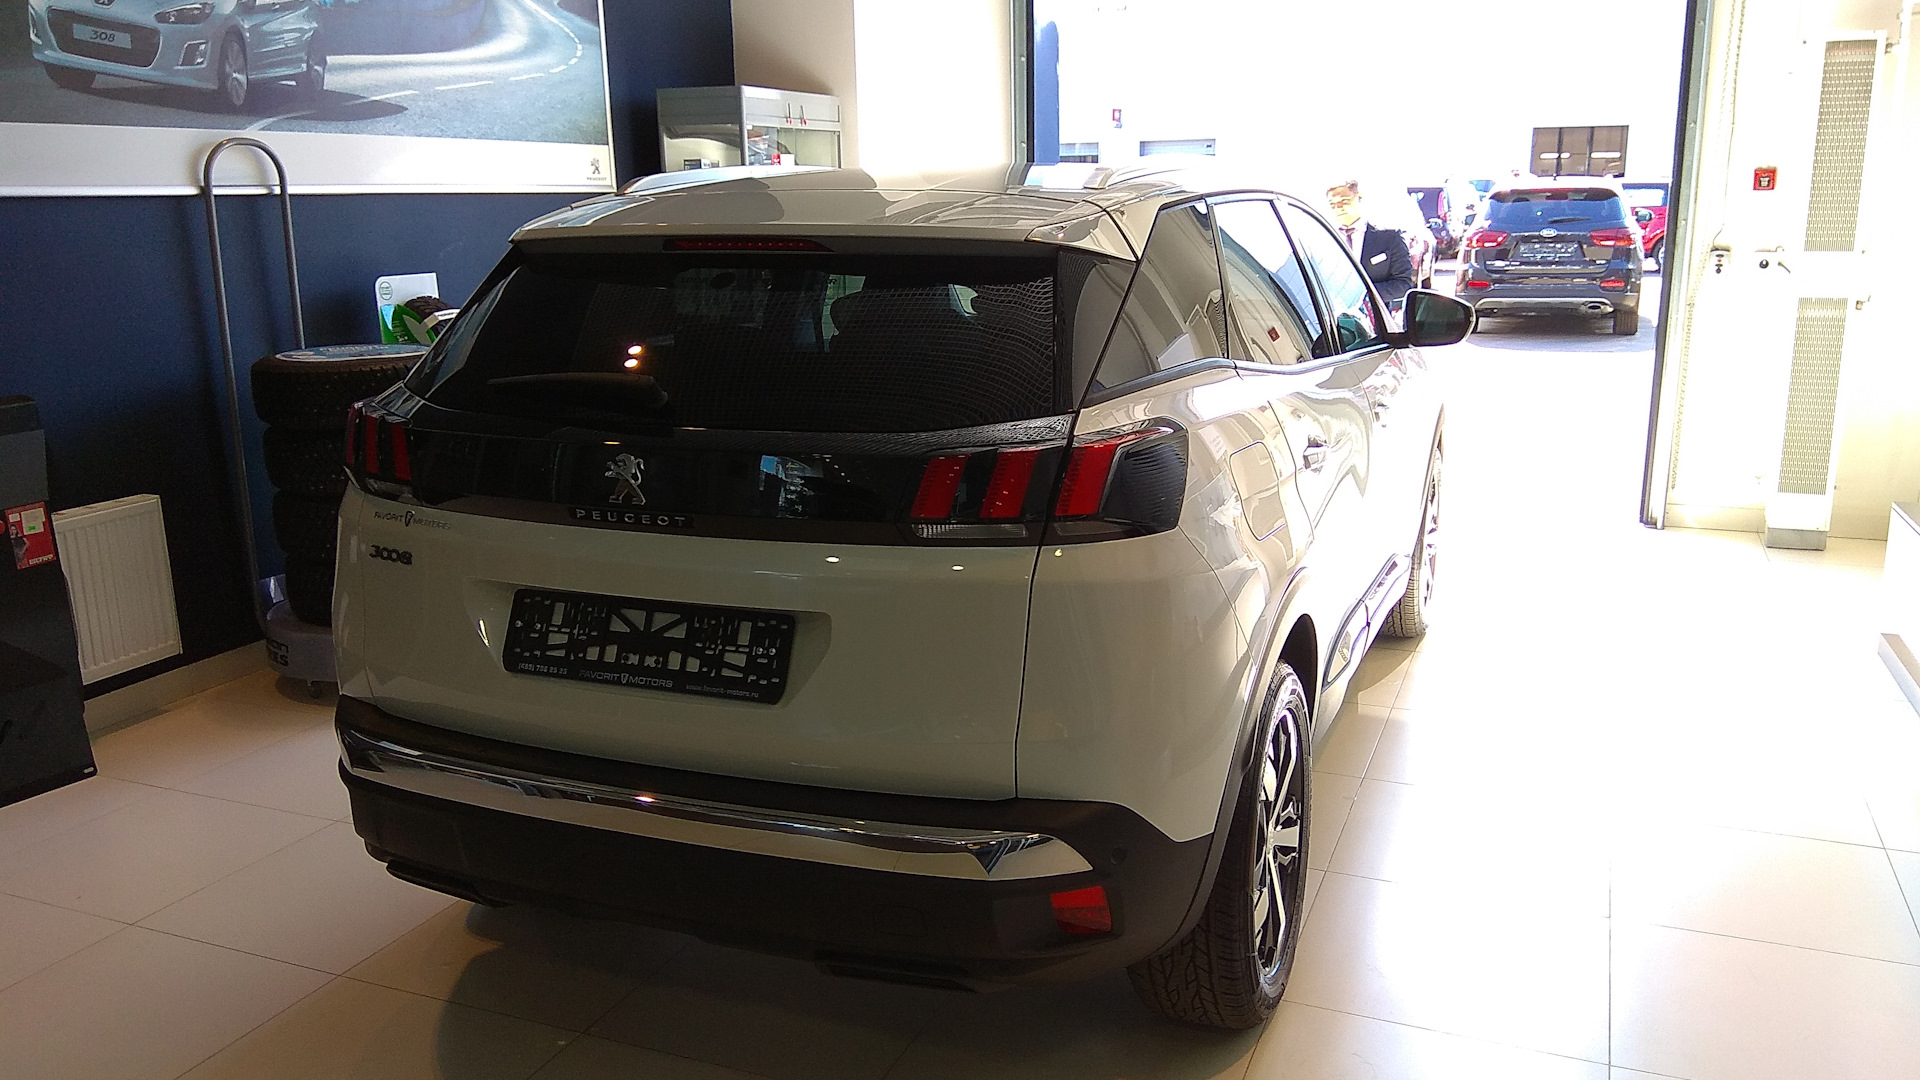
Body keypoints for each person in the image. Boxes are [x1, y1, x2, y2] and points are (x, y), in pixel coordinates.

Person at [1325, 181, 1417, 307]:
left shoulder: (1389, 237)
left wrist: (1363, 295)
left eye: (1344, 201)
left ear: (1359, 197)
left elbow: (1403, 284)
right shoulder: (1323, 239)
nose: (1338, 207)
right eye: (1332, 204)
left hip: (1374, 314)